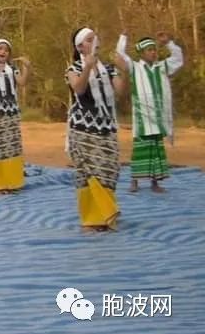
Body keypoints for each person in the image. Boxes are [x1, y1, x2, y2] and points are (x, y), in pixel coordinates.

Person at [66, 27, 128, 231]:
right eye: (89, 39)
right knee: (88, 172)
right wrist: (88, 69)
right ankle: (92, 220)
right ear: (80, 46)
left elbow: (119, 92)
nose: (95, 41)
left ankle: (105, 216)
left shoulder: (108, 69)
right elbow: (79, 89)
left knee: (109, 171)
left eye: (95, 38)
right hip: (83, 128)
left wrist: (123, 70)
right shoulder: (73, 69)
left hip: (106, 126)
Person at [116, 32, 184, 193]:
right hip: (142, 118)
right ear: (142, 53)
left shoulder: (162, 67)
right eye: (149, 50)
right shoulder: (135, 67)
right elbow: (120, 55)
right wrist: (123, 37)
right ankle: (134, 181)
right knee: (140, 151)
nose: (153, 52)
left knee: (156, 153)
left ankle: (155, 183)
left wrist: (169, 43)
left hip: (158, 118)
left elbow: (178, 59)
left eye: (154, 49)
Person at [0, 39, 30, 194]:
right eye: (0, 49)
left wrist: (27, 68)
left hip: (11, 111)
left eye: (6, 50)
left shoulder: (12, 68)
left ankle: (13, 183)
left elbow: (22, 83)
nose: (3, 52)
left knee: (13, 147)